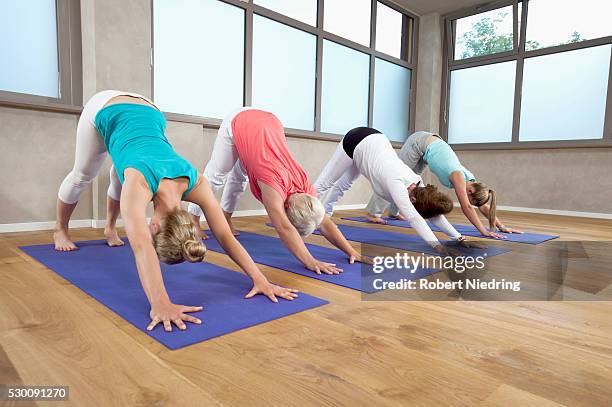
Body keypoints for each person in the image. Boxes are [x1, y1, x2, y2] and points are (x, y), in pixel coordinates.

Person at [54, 91, 298, 332]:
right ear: (155, 227)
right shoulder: (139, 183)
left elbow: (225, 236)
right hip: (106, 107)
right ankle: (60, 230)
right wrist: (160, 304)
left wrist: (261, 279)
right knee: (82, 175)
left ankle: (109, 228)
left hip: (152, 110)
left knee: (122, 170)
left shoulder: (196, 181)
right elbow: (141, 247)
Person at [187, 108, 368, 275]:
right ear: (287, 207)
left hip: (269, 122)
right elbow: (284, 227)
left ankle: (226, 217)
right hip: (241, 120)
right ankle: (193, 219)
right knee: (218, 174)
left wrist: (350, 250)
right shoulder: (273, 188)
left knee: (239, 176)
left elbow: (324, 222)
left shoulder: (307, 191)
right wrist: (310, 261)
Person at [314, 127, 481, 255]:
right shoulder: (398, 185)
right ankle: (299, 213)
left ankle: (325, 216)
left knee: (345, 184)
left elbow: (434, 216)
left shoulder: (420, 186)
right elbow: (415, 218)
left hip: (375, 145)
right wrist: (437, 246)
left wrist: (459, 238)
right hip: (357, 140)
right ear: (414, 201)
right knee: (325, 182)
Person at [365, 131, 522, 238]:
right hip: (419, 142)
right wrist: (483, 231)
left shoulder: (472, 182)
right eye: (470, 198)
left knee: (412, 184)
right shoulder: (459, 177)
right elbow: (467, 207)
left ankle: (393, 212)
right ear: (471, 191)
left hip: (428, 148)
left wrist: (501, 226)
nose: (468, 201)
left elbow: (483, 206)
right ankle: (373, 213)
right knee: (394, 175)